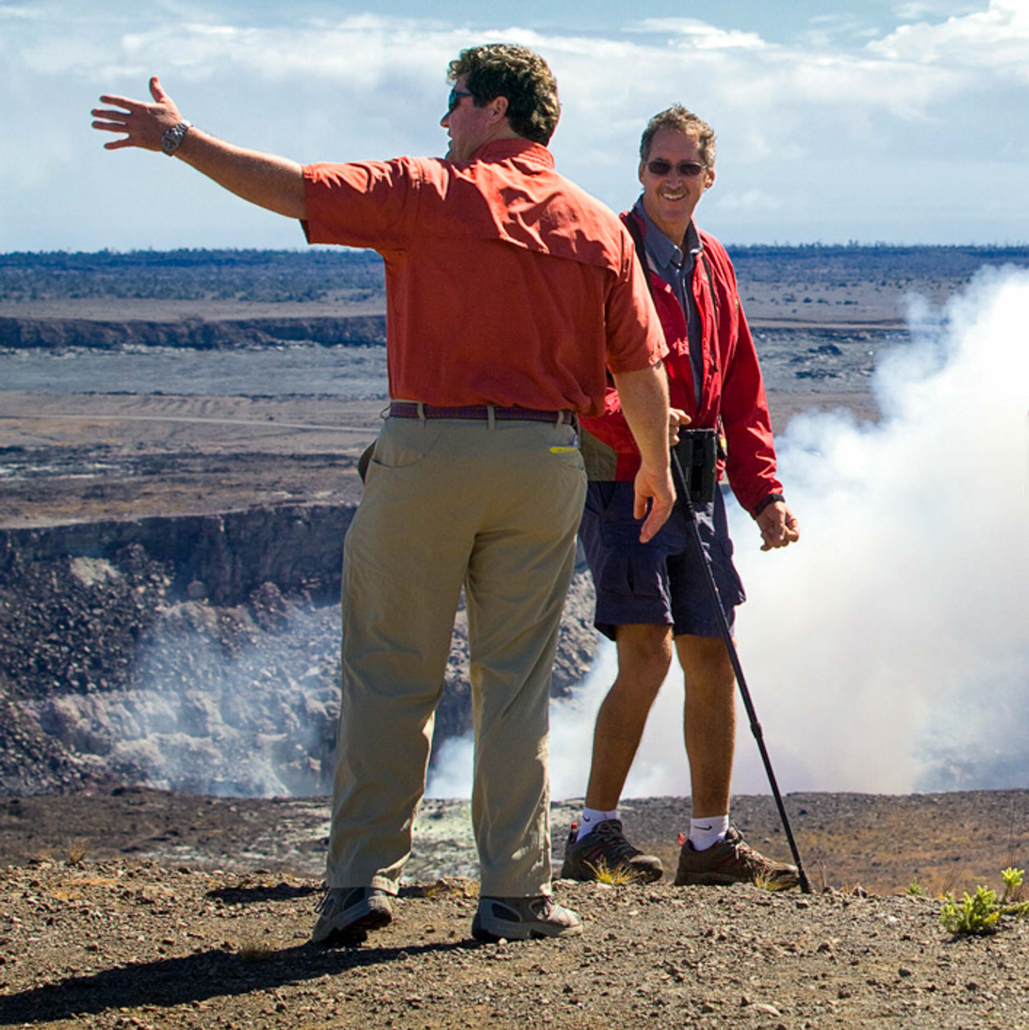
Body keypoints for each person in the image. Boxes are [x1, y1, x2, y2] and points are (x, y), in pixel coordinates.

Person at [92, 45, 675, 943]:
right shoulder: (599, 226)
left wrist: (181, 140)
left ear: (493, 108)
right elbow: (640, 365)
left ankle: (361, 882)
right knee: (515, 685)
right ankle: (516, 894)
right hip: (545, 462)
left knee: (388, 673)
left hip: (427, 452)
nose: (443, 120)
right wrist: (655, 467)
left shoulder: (426, 192)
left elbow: (292, 188)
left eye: (453, 102)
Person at [561, 105, 801, 889]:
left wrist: (762, 494)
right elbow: (573, 373)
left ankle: (708, 843)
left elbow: (740, 387)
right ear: (640, 172)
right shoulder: (607, 250)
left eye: (687, 168)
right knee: (647, 650)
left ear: (709, 177)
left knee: (711, 651)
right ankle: (593, 832)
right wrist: (628, 414)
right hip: (622, 480)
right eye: (660, 166)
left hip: (698, 482)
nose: (673, 180)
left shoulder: (714, 263)